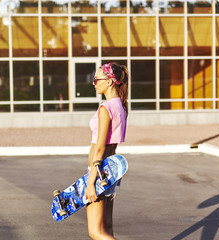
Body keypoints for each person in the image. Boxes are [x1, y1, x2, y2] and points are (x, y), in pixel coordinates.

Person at [84, 62, 129, 240]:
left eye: (96, 79)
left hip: (99, 171)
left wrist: (90, 182)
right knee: (107, 228)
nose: (94, 83)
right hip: (111, 171)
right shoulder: (121, 106)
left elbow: (100, 147)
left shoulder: (106, 108)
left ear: (109, 82)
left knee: (95, 231)